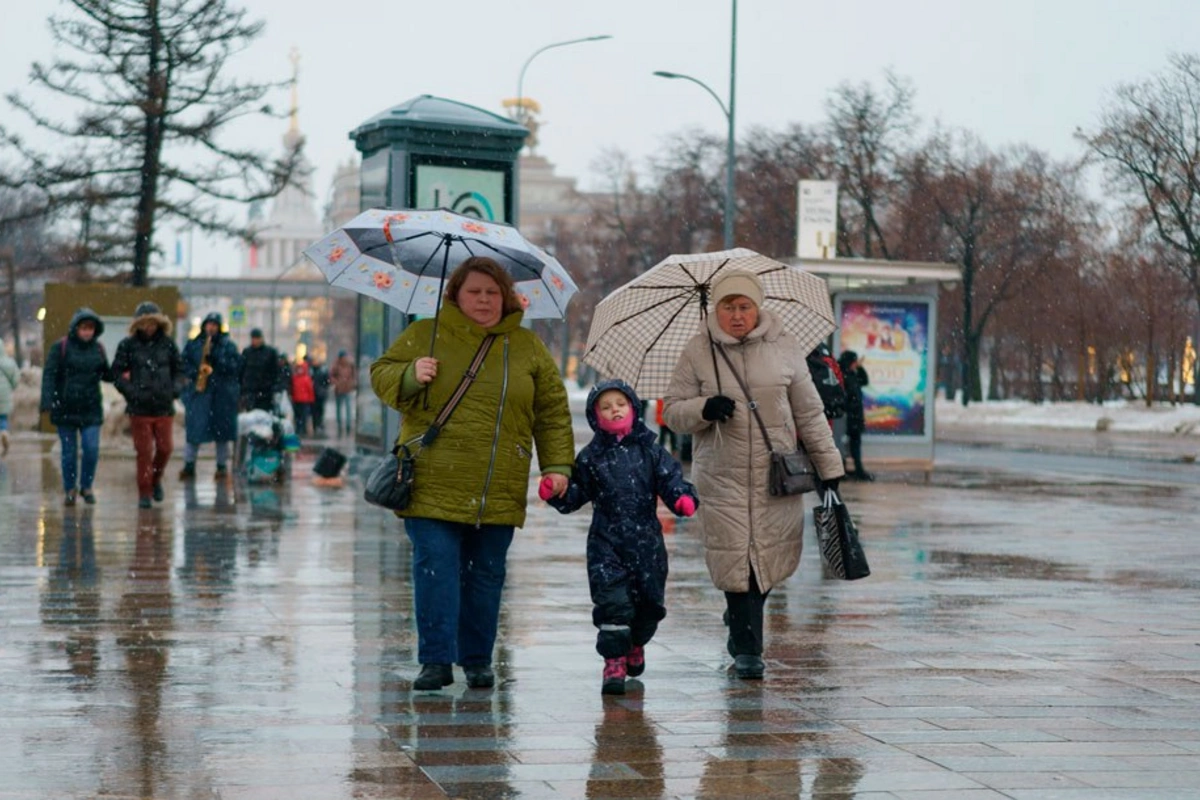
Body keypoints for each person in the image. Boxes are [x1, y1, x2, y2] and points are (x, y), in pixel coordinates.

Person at [370, 256, 575, 691]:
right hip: (431, 480)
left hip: (497, 484)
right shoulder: (424, 334)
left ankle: (478, 659)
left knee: (485, 575)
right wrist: (410, 374)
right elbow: (382, 375)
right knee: (436, 568)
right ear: (455, 295)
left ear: (507, 297)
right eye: (474, 291)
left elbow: (552, 411)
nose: (483, 300)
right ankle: (436, 660)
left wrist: (557, 466)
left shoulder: (527, 347)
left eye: (492, 292)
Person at [662, 270, 845, 680]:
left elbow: (809, 412)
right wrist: (704, 408)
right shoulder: (697, 351)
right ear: (717, 310)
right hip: (721, 476)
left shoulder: (785, 347)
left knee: (766, 557)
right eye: (728, 307)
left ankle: (742, 621)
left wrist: (829, 469)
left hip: (775, 475)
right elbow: (673, 411)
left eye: (744, 306)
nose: (737, 315)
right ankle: (749, 649)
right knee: (736, 561)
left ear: (758, 308)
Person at [542, 379, 698, 695]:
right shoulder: (591, 456)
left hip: (647, 545)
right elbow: (576, 495)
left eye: (620, 404)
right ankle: (613, 661)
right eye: (606, 407)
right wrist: (557, 493)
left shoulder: (651, 450)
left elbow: (671, 480)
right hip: (606, 543)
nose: (614, 410)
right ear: (595, 416)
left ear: (632, 408)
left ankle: (636, 642)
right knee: (612, 603)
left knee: (649, 604)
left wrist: (682, 498)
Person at [111, 302, 182, 508]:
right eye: (145, 323)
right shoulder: (128, 345)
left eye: (152, 323)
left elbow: (180, 370)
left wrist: (174, 390)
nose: (149, 327)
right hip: (139, 408)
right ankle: (144, 492)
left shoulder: (168, 344)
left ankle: (155, 480)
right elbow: (116, 373)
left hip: (163, 406)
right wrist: (131, 392)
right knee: (143, 451)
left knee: (165, 448)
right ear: (138, 325)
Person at [39, 308, 113, 505]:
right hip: (65, 408)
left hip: (90, 408)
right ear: (76, 328)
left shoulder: (98, 349)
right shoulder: (60, 347)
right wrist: (47, 401)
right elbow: (50, 375)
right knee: (68, 452)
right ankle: (70, 489)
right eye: (83, 328)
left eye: (90, 328)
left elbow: (106, 374)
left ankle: (86, 486)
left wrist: (122, 371)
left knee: (91, 449)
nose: (87, 332)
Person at [179, 312, 241, 480]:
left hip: (221, 395)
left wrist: (218, 361)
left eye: (214, 325)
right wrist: (195, 373)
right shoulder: (193, 345)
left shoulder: (228, 346)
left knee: (222, 433)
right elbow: (183, 364)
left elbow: (236, 367)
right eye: (209, 324)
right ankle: (189, 466)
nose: (211, 328)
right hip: (200, 394)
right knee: (195, 431)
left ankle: (221, 467)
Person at [838, 350, 874, 481]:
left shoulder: (853, 374)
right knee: (842, 444)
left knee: (855, 444)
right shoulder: (842, 375)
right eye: (854, 362)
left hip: (854, 417)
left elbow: (865, 380)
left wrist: (860, 367)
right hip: (847, 417)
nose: (855, 364)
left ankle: (858, 469)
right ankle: (842, 470)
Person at [239, 328, 282, 412]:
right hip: (250, 391)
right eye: (253, 338)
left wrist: (274, 387)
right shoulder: (247, 352)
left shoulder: (270, 352)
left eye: (257, 338)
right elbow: (242, 371)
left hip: (265, 391)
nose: (255, 341)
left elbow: (275, 372)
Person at [330, 349, 357, 437]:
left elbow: (354, 375)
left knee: (345, 408)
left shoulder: (345, 364)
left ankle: (345, 426)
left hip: (345, 388)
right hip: (341, 389)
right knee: (342, 408)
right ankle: (342, 426)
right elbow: (332, 376)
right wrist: (337, 382)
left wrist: (351, 382)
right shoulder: (339, 365)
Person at [0, 337, 19, 457]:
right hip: (4, 395)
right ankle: (4, 432)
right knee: (2, 417)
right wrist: (11, 387)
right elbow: (16, 379)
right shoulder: (9, 362)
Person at [289, 355, 315, 436]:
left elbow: (310, 390)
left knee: (302, 416)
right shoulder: (296, 378)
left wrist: (311, 399)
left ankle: (301, 428)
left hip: (303, 400)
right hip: (298, 400)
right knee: (299, 416)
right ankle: (300, 428)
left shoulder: (304, 378)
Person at [310, 357, 330, 436]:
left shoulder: (322, 371)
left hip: (320, 394)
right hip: (314, 394)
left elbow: (327, 381)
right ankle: (316, 425)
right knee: (315, 411)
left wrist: (323, 388)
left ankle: (319, 424)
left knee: (320, 410)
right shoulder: (312, 371)